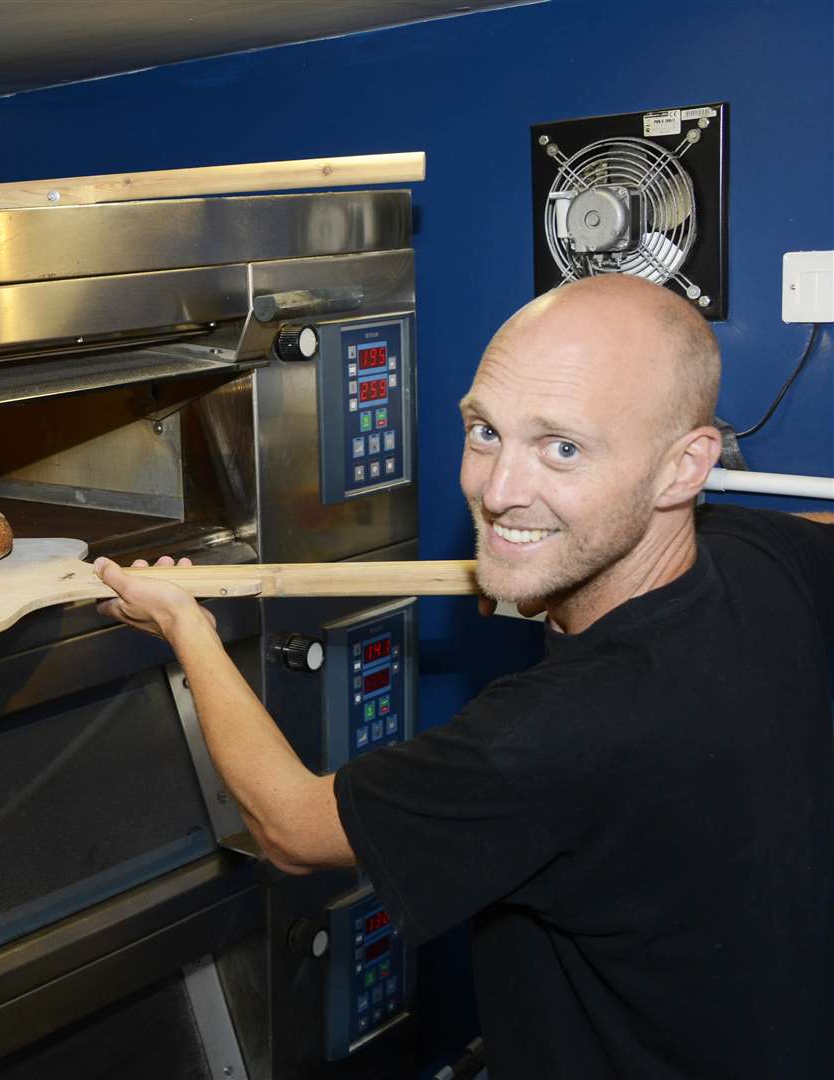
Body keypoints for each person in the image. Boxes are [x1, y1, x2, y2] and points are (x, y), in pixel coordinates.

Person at [94, 275, 834, 1078]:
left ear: (683, 470)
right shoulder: (759, 558)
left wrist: (185, 626)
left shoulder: (552, 734)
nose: (497, 490)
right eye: (485, 430)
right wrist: (551, 578)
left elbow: (292, 827)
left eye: (563, 448)